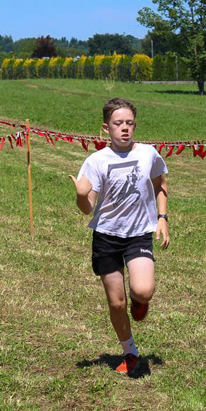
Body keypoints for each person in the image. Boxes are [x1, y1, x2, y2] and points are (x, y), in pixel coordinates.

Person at [69, 98, 169, 376]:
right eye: (118, 124)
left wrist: (162, 219)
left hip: (138, 234)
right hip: (107, 236)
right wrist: (80, 196)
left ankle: (140, 300)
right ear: (106, 128)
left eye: (129, 123)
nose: (124, 128)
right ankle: (130, 351)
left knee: (143, 291)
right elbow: (87, 207)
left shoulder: (148, 154)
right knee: (116, 303)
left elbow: (160, 185)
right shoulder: (96, 161)